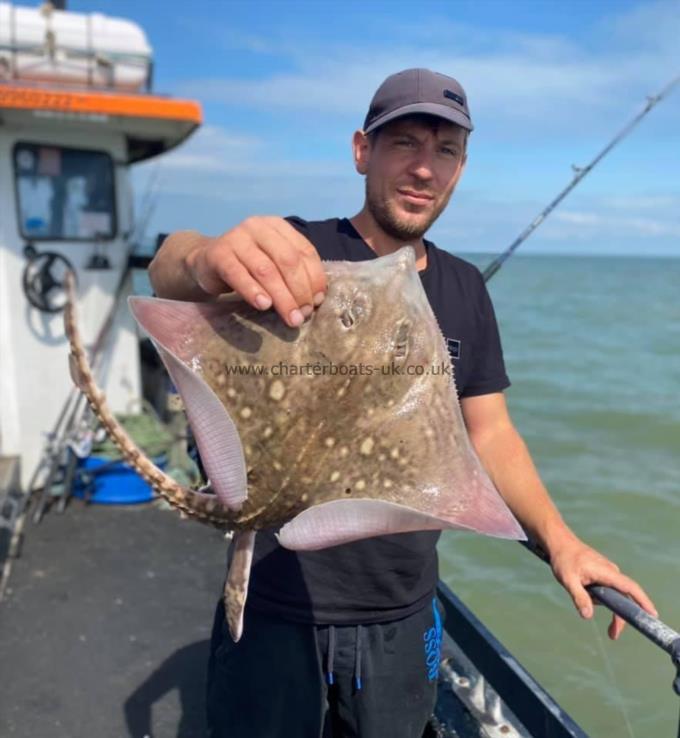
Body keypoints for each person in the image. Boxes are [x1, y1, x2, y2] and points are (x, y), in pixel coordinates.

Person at [149, 68, 657, 738]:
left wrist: (561, 542)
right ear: (363, 150)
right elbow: (169, 267)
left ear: (462, 167)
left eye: (444, 151)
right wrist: (207, 255)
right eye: (405, 144)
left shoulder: (465, 288)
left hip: (400, 609)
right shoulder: (299, 252)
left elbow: (491, 432)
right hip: (275, 600)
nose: (424, 168)